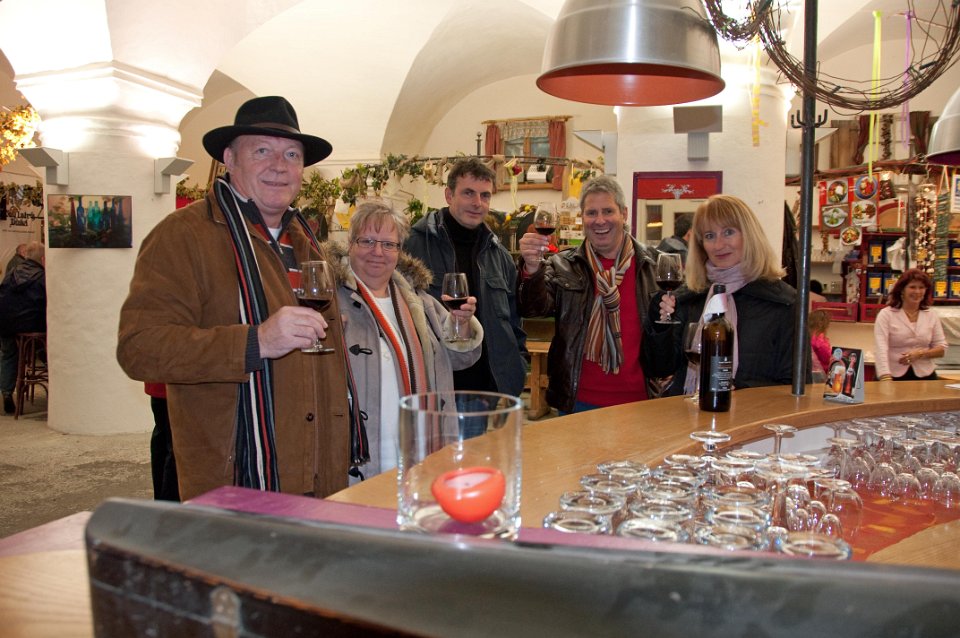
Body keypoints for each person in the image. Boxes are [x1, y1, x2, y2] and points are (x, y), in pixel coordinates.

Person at [118, 96, 352, 500]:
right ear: (230, 158)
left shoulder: (306, 241)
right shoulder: (184, 235)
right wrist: (255, 342)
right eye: (261, 151)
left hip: (316, 472)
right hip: (239, 474)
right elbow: (140, 347)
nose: (279, 165)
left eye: (292, 155)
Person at [330, 202, 483, 480]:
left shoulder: (420, 302)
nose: (378, 252)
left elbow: (462, 358)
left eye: (389, 244)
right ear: (350, 244)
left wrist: (461, 324)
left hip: (421, 445)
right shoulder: (330, 301)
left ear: (399, 251)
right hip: (362, 449)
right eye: (367, 241)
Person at [404, 158, 526, 435]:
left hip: (478, 390)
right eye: (468, 193)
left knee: (470, 461)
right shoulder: (414, 244)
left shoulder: (499, 255)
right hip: (432, 386)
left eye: (485, 195)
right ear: (449, 195)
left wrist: (515, 365)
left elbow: (513, 322)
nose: (477, 203)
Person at [517, 176, 659, 412]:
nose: (600, 220)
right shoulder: (563, 264)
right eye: (591, 213)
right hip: (578, 401)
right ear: (582, 217)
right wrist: (532, 268)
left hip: (641, 401)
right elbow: (534, 309)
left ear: (624, 213)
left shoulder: (653, 265)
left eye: (608, 211)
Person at [645, 194, 799, 395]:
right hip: (688, 411)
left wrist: (741, 391)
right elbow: (660, 368)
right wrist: (659, 327)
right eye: (709, 236)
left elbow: (796, 385)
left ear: (749, 236)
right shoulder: (689, 298)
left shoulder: (783, 303)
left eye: (728, 232)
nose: (718, 245)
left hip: (753, 413)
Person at [874, 268, 947, 381]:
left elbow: (941, 349)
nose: (917, 292)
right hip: (892, 376)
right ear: (902, 290)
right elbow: (881, 349)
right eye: (912, 287)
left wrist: (921, 353)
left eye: (921, 287)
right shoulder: (886, 315)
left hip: (926, 376)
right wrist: (885, 377)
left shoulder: (931, 315)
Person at [0, 241, 46, 415]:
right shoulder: (42, 276)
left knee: (8, 355)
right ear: (43, 258)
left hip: (5, 325)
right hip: (31, 329)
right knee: (46, 348)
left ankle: (7, 392)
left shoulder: (12, 272)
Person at [808, 309, 832, 383]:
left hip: (808, 376)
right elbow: (828, 359)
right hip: (819, 377)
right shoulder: (819, 340)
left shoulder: (807, 336)